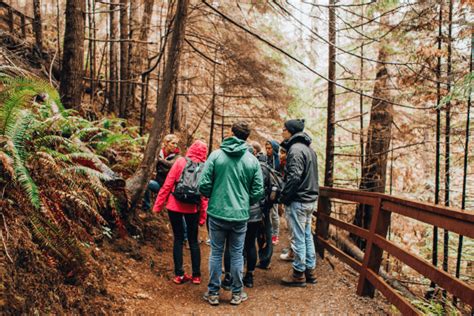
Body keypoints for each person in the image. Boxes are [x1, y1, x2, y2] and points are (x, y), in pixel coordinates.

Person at [199, 122, 264, 306]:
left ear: (232, 133)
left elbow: (203, 184)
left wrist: (215, 197)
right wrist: (244, 202)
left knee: (216, 253)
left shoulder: (216, 155)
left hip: (217, 213)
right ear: (246, 137)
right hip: (240, 216)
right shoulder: (252, 160)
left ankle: (213, 293)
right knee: (236, 254)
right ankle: (237, 293)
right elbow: (258, 190)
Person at [153, 140, 208, 285]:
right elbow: (204, 196)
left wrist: (158, 206)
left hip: (174, 205)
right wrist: (203, 216)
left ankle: (179, 274)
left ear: (190, 149)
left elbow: (167, 184)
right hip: (193, 208)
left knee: (178, 239)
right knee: (193, 240)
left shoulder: (180, 162)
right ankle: (196, 276)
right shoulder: (205, 167)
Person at [279, 119, 319, 287]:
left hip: (299, 200)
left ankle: (298, 274)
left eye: (284, 129)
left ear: (290, 131)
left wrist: (285, 196)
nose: (282, 131)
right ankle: (310, 271)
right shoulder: (310, 150)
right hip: (310, 200)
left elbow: (294, 177)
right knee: (307, 236)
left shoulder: (295, 150)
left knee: (298, 237)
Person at [243, 147, 271, 288]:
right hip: (255, 211)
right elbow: (260, 191)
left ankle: (235, 273)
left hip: (240, 210)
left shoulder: (239, 166)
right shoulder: (257, 167)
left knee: (237, 244)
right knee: (250, 243)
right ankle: (249, 276)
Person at [143, 134, 180, 211]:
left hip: (171, 190)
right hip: (159, 185)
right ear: (166, 143)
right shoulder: (159, 153)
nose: (175, 145)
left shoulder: (177, 156)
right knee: (146, 183)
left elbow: (171, 164)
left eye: (176, 143)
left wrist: (159, 160)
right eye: (173, 143)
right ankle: (146, 208)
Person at [265, 140, 281, 245]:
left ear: (274, 149)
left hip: (275, 189)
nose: (267, 150)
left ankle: (275, 235)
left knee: (274, 213)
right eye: (266, 148)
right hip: (267, 188)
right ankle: (269, 234)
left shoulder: (278, 161)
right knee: (267, 213)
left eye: (270, 148)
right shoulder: (266, 159)